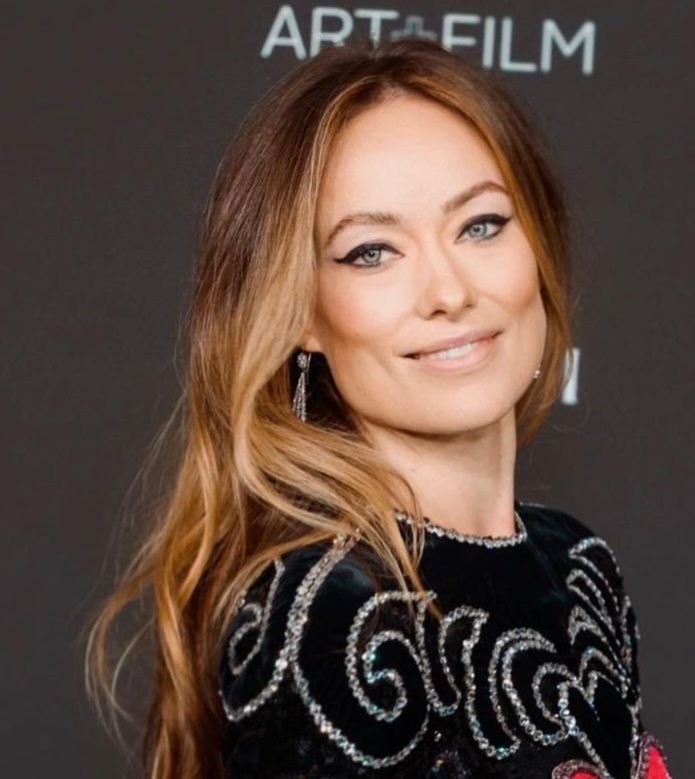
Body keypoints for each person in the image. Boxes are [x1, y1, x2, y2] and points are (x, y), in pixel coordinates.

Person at [86, 38, 671, 779]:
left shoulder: (578, 564)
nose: (449, 292)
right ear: (300, 310)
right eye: (372, 251)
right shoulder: (333, 614)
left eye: (481, 224)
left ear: (539, 243)